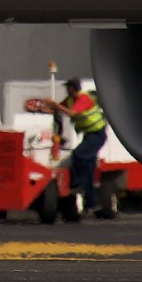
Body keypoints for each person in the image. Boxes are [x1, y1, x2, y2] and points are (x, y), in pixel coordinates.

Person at [40, 77, 111, 218]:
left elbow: (72, 113)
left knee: (78, 155)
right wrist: (45, 108)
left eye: (68, 87)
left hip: (97, 135)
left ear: (72, 88)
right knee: (88, 170)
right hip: (89, 135)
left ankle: (76, 182)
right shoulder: (70, 99)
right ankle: (92, 201)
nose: (66, 89)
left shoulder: (84, 99)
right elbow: (59, 108)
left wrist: (55, 104)